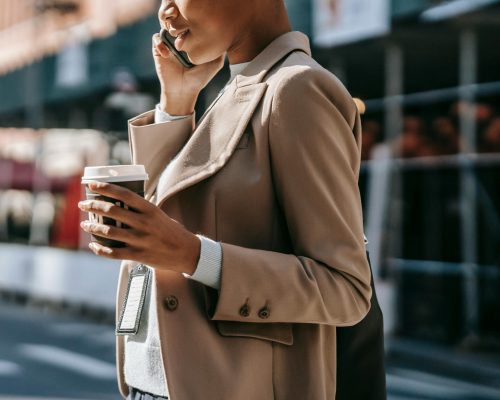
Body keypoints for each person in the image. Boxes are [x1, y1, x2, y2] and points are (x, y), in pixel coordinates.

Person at [78, 0, 385, 399]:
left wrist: (192, 255)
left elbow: (346, 287)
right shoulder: (236, 89)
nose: (164, 12)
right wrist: (176, 104)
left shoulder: (297, 88)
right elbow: (171, 209)